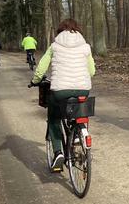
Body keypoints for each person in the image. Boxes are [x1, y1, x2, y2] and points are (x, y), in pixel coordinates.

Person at [31, 19, 95, 170]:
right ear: (78, 30)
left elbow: (41, 69)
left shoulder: (54, 46)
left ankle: (58, 152)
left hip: (60, 91)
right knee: (78, 115)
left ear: (60, 31)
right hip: (82, 90)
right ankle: (78, 137)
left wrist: (35, 80)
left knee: (54, 118)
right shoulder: (86, 47)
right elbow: (92, 71)